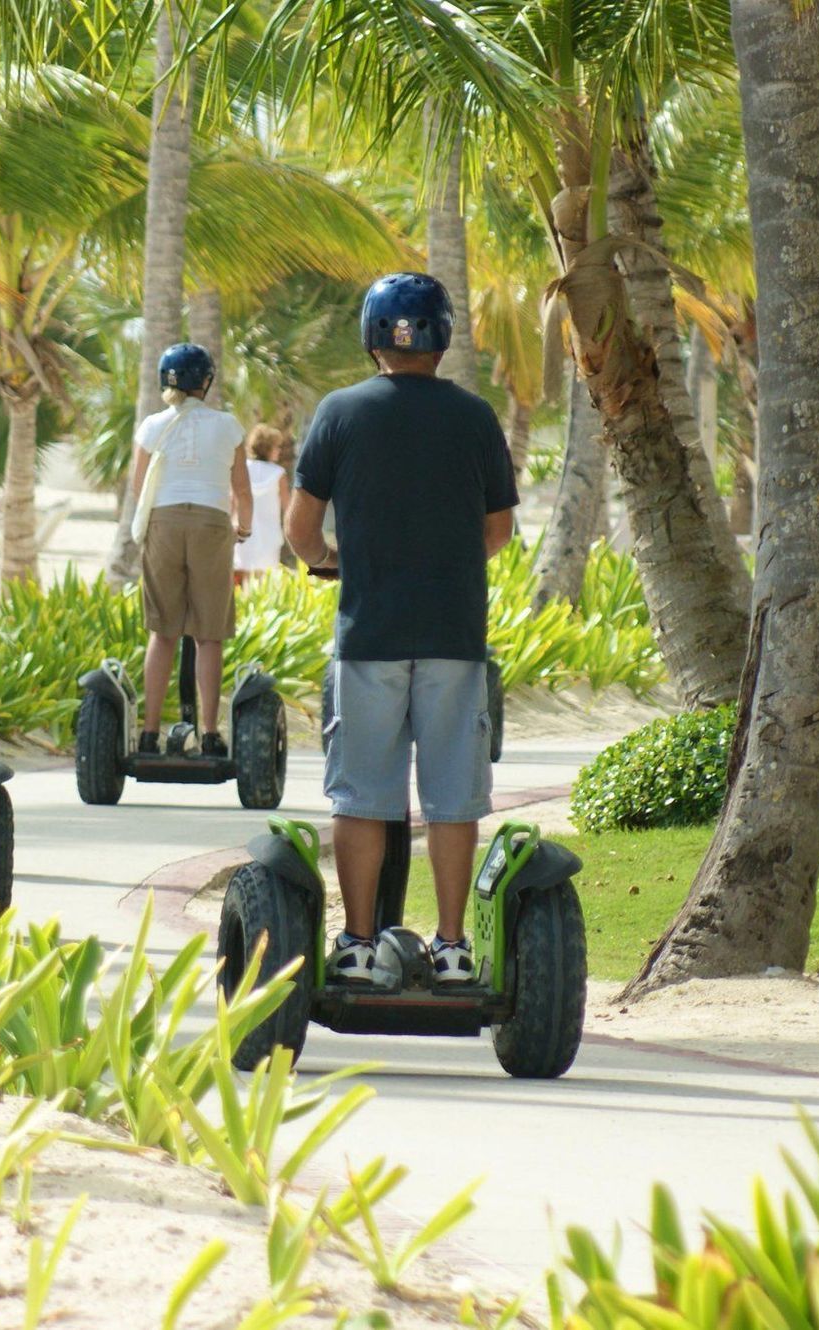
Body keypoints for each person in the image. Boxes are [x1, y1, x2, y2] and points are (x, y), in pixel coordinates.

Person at [283, 272, 518, 986]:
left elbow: (300, 531)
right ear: (441, 337)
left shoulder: (339, 411)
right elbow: (498, 530)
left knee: (363, 795)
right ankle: (451, 947)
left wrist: (332, 560)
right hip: (452, 632)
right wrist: (443, 556)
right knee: (452, 796)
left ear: (371, 336)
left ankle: (356, 944)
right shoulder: (475, 418)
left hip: (370, 635)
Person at [130, 343, 253, 756]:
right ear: (206, 381)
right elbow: (242, 492)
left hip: (163, 523)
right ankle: (209, 733)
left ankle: (148, 734)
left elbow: (137, 488)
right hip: (211, 524)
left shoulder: (150, 426)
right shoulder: (228, 426)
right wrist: (244, 530)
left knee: (162, 633)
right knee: (208, 636)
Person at [233, 425, 292, 584]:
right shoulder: (278, 473)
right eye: (277, 447)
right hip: (269, 535)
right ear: (267, 448)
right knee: (266, 582)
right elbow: (288, 507)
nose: (279, 451)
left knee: (242, 579)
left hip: (243, 532)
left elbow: (232, 500)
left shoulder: (242, 469)